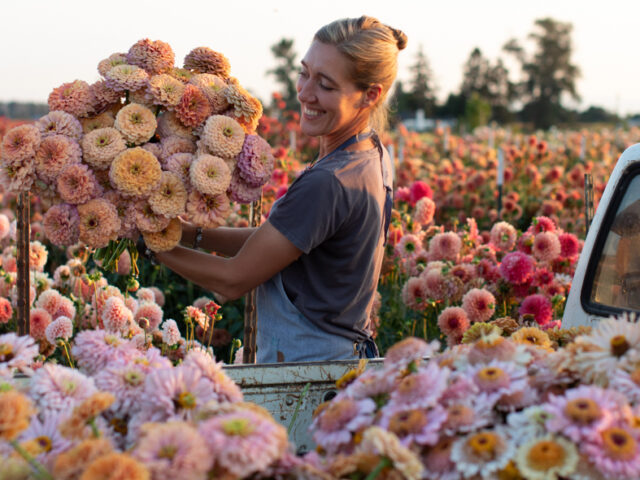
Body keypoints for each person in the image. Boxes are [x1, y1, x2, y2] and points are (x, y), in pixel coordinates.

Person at [155, 16, 407, 363]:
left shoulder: (328, 182)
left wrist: (151, 247)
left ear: (370, 95)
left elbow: (232, 280)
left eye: (326, 85)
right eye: (305, 73)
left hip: (307, 372)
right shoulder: (371, 154)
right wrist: (186, 234)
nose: (304, 92)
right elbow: (281, 240)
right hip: (340, 360)